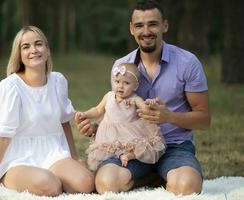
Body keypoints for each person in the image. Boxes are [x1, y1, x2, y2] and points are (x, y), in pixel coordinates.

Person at [75, 0, 211, 195]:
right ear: (131, 29)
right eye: (139, 25)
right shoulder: (121, 67)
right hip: (129, 150)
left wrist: (169, 117)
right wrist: (95, 128)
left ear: (165, 25)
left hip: (174, 146)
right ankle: (153, 178)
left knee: (187, 186)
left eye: (152, 24)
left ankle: (163, 175)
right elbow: (117, 114)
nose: (146, 31)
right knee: (106, 183)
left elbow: (204, 119)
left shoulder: (187, 63)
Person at [0, 26, 94, 196]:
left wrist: (73, 158)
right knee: (48, 185)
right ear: (20, 55)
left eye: (38, 44)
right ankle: (10, 178)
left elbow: (63, 122)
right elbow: (1, 138)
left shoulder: (57, 82)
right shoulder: (11, 87)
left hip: (53, 152)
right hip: (17, 158)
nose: (33, 50)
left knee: (85, 183)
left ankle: (55, 177)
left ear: (47, 50)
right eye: (26, 47)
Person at [76, 63, 166, 171]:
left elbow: (146, 110)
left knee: (140, 147)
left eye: (126, 83)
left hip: (128, 133)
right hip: (109, 134)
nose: (120, 86)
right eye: (117, 81)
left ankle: (129, 156)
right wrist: (85, 114)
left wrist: (150, 104)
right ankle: (111, 163)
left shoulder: (135, 98)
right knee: (105, 153)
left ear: (135, 86)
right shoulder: (109, 96)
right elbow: (97, 110)